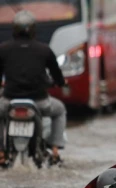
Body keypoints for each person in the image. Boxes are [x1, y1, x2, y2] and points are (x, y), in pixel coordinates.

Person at [0, 10, 67, 165]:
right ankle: (55, 150)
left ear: (14, 29)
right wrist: (60, 83)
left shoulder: (3, 49)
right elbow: (57, 75)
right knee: (60, 110)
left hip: (9, 100)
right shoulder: (44, 50)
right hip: (40, 102)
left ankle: (1, 152)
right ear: (34, 29)